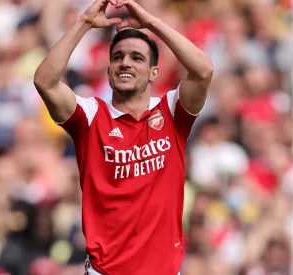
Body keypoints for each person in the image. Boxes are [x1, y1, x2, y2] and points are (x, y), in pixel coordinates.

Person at [33, 0, 213, 274]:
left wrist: (152, 23)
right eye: (117, 57)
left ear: (154, 72)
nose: (125, 62)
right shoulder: (91, 116)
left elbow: (203, 71)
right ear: (108, 71)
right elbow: (45, 81)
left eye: (137, 57)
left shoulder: (172, 111)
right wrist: (84, 22)